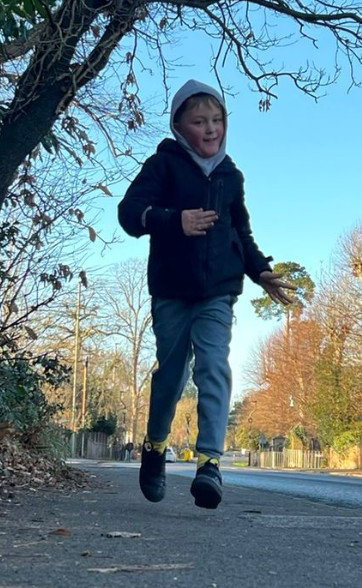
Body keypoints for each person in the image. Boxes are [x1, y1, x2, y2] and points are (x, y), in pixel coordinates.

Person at [118, 80, 294, 509]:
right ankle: (155, 446)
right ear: (179, 126)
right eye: (199, 122)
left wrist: (261, 271)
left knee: (213, 365)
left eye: (217, 120)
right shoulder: (163, 165)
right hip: (171, 290)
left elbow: (241, 232)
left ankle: (210, 464)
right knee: (173, 376)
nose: (211, 129)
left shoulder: (231, 175)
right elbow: (129, 214)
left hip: (218, 291)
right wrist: (174, 220)